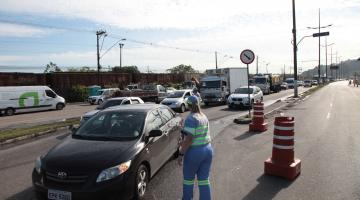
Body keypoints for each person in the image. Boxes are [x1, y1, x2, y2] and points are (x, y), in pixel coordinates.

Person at [178, 95, 213, 200]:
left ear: (188, 105)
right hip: (208, 150)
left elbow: (189, 139)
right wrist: (182, 129)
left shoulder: (191, 118)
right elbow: (197, 133)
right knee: (204, 180)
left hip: (194, 152)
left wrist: (181, 154)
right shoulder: (203, 116)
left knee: (188, 180)